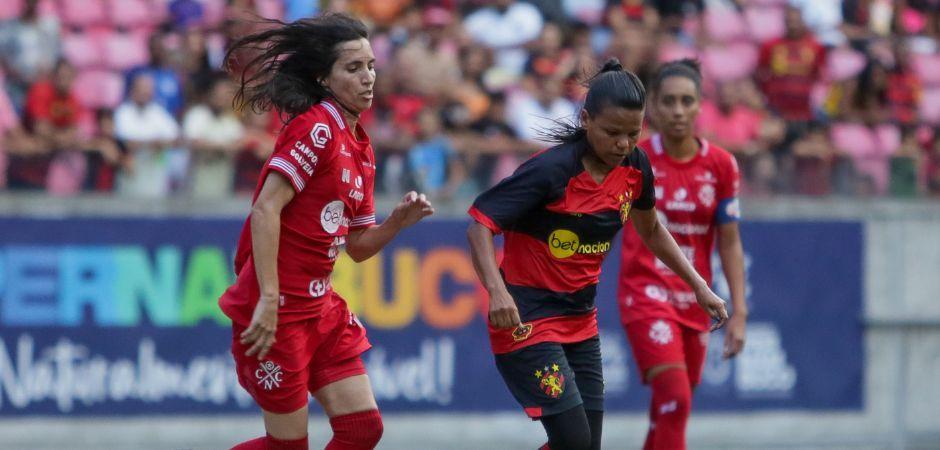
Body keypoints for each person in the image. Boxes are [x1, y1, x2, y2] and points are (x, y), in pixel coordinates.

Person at [467, 58, 728, 450]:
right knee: (572, 440)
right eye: (612, 133)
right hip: (527, 319)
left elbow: (652, 230)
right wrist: (497, 292)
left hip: (580, 322)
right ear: (586, 120)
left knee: (586, 446)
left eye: (633, 132)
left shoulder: (636, 167)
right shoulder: (550, 171)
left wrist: (698, 285)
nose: (623, 144)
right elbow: (480, 224)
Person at [218, 13, 434, 450]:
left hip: (322, 310)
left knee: (362, 429)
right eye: (353, 68)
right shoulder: (317, 128)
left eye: (371, 65)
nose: (368, 77)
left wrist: (396, 223)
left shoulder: (362, 146)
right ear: (324, 77)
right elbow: (264, 211)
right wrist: (270, 300)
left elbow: (356, 247)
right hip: (278, 314)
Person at [617, 60, 748, 450]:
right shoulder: (634, 159)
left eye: (686, 101)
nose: (677, 110)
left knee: (669, 410)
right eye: (668, 101)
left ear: (699, 106)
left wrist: (739, 312)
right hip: (646, 293)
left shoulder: (722, 165)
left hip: (695, 301)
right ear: (652, 107)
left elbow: (729, 240)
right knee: (675, 397)